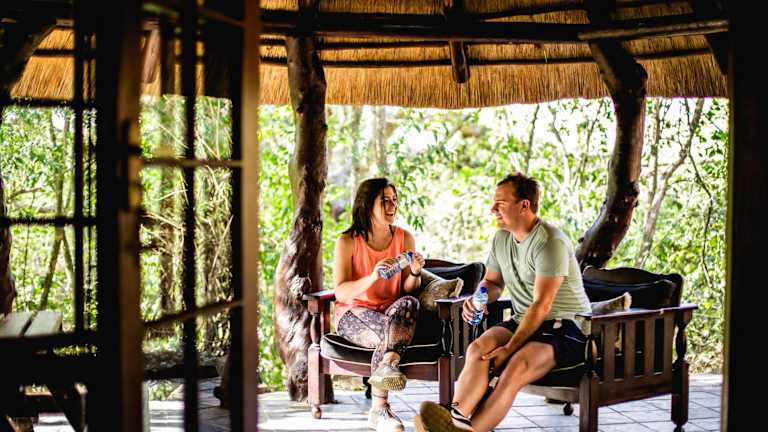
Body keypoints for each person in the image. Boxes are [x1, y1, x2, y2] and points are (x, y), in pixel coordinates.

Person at [416, 173, 591, 432]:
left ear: (524, 205)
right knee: (478, 349)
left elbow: (541, 305)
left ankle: (466, 430)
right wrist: (479, 298)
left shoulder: (550, 242)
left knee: (515, 367)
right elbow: (493, 283)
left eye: (500, 203)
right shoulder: (502, 239)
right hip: (523, 320)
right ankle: (456, 420)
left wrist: (509, 348)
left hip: (565, 327)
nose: (493, 209)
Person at [333, 177, 426, 432]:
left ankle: (387, 368)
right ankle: (380, 407)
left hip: (391, 313)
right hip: (353, 313)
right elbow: (341, 292)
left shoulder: (405, 238)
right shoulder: (347, 241)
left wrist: (415, 272)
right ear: (367, 204)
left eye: (394, 200)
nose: (392, 206)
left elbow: (409, 288)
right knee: (391, 333)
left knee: (409, 302)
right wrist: (373, 277)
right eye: (385, 201)